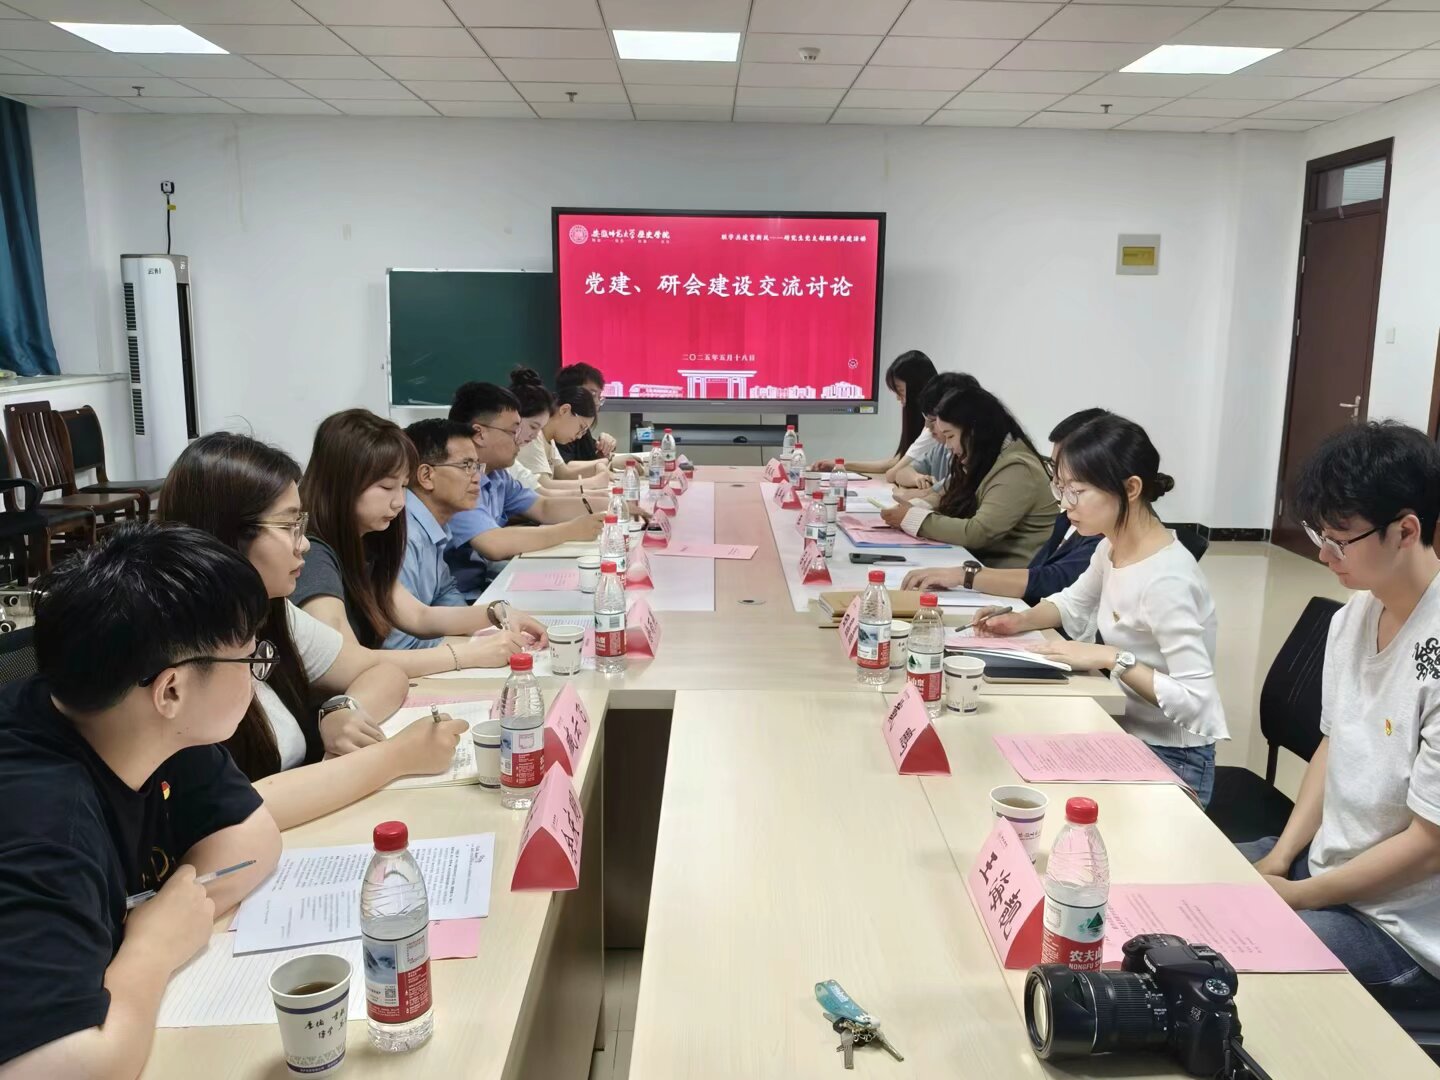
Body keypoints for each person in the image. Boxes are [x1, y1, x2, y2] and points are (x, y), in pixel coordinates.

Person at [0, 524, 282, 1077]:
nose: (255, 676)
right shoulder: (44, 820)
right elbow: (56, 1066)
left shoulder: (142, 720)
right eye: (249, 660)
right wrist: (152, 947)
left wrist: (172, 905)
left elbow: (253, 835)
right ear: (171, 689)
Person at [160, 433, 468, 829]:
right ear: (227, 534)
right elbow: (232, 810)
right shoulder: (179, 646)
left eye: (300, 524)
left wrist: (341, 710)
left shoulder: (272, 610)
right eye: (289, 525)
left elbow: (381, 671)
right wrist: (396, 757)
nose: (303, 544)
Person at [1238, 421, 1440, 1012]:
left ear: (1406, 531)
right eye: (1318, 535)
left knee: (1231, 956)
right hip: (1327, 870)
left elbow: (1429, 844)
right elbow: (1335, 743)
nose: (1323, 555)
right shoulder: (1352, 618)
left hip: (1402, 931)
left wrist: (1299, 897)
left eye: (1340, 540)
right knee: (1192, 883)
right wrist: (1281, 859)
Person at [971, 413, 1226, 803]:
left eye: (1077, 491)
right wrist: (1019, 619)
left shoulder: (1167, 579)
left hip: (1174, 757)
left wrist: (1111, 658)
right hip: (1122, 730)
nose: (1065, 505)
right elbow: (1073, 602)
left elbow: (1197, 703)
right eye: (1061, 489)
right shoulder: (1111, 546)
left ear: (1131, 488)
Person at [295, 409, 545, 674]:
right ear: (343, 482)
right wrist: (467, 654)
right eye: (386, 487)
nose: (399, 502)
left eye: (403, 486)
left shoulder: (368, 541)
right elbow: (343, 663)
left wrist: (497, 612)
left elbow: (418, 615)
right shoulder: (314, 554)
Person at [903, 408, 1107, 611]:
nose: (1057, 482)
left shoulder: (1101, 536)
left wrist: (965, 575)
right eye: (1054, 467)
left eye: (950, 435)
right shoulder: (1068, 520)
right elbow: (1044, 579)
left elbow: (1051, 580)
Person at [446, 382, 607, 596]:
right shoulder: (455, 479)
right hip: (463, 595)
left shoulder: (497, 474)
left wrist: (612, 504)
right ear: (479, 433)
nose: (521, 439)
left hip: (485, 582)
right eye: (513, 431)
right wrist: (571, 530)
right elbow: (493, 543)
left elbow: (543, 506)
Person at [879, 385, 1056, 566]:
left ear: (974, 431)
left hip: (1008, 574)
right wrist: (916, 507)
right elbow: (947, 494)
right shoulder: (985, 458)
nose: (947, 446)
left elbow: (978, 533)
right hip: (980, 564)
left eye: (950, 436)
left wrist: (913, 519)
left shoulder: (1017, 468)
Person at [815, 350, 936, 477]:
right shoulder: (924, 418)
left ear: (916, 386)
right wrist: (840, 464)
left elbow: (893, 470)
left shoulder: (934, 422)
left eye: (900, 390)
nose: (898, 398)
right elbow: (895, 463)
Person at [507, 367, 609, 495]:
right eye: (581, 428)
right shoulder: (531, 437)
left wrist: (600, 465)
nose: (579, 436)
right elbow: (543, 486)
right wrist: (594, 483)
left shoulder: (548, 438)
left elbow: (563, 473)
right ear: (565, 410)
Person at [889, 371, 981, 496]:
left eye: (933, 420)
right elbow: (901, 473)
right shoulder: (940, 448)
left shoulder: (971, 457)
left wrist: (911, 493)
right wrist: (916, 478)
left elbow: (938, 494)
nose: (928, 427)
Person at [553, 362, 618, 463]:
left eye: (599, 397)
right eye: (592, 394)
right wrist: (603, 463)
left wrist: (603, 450)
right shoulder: (559, 429)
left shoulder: (580, 423)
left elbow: (591, 458)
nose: (597, 403)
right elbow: (564, 468)